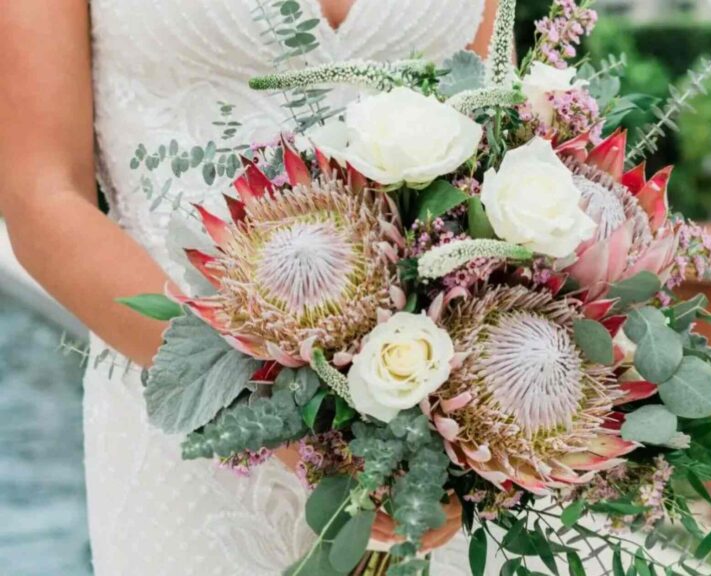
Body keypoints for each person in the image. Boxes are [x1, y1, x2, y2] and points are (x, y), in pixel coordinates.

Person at [0, 1, 498, 574]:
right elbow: (42, 197)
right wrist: (271, 412)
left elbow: (486, 143)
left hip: (425, 437)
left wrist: (470, 434)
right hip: (186, 429)